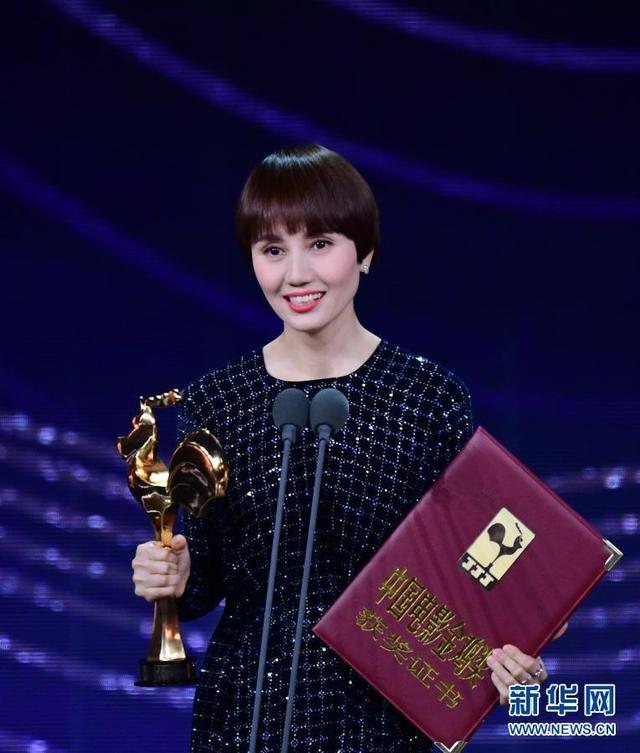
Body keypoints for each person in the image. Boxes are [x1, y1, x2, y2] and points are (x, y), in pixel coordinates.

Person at [131, 144, 566, 752]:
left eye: (320, 243)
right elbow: (204, 581)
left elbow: (488, 561)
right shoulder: (218, 400)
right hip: (243, 716)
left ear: (365, 251)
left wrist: (518, 638)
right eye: (272, 250)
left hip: (385, 718)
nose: (296, 274)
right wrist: (171, 575)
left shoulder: (426, 398)